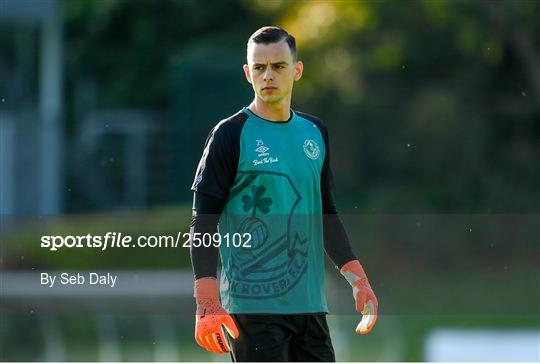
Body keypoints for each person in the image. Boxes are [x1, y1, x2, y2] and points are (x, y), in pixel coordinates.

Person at [189, 26, 378, 362]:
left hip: (309, 306)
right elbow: (203, 220)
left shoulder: (314, 132)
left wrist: (358, 279)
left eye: (278, 66)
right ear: (248, 73)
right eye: (259, 68)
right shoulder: (229, 134)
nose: (268, 75)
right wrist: (206, 300)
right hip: (252, 308)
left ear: (297, 70)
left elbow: (325, 213)